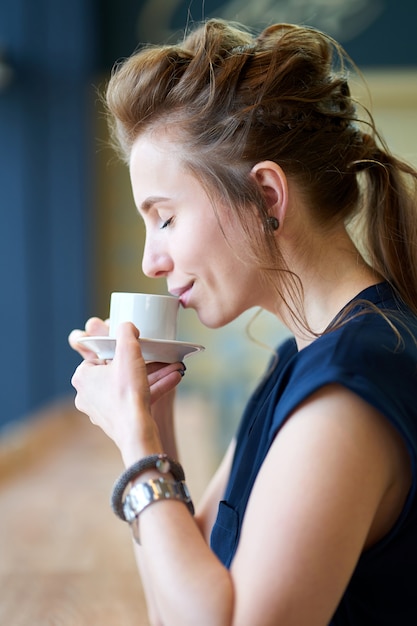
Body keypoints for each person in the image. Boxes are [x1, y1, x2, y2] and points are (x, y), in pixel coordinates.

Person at [69, 18, 417, 626]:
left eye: (166, 217)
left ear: (265, 196)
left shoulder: (350, 390)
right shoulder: (299, 361)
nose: (152, 260)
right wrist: (153, 422)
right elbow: (180, 606)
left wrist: (135, 443)